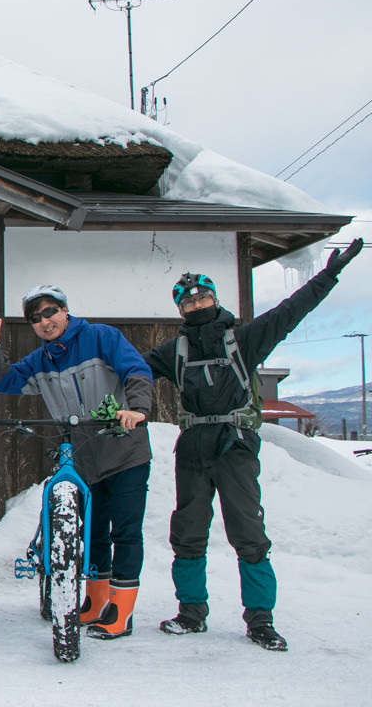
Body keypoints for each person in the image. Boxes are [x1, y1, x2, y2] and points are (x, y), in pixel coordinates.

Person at [144, 238, 363, 652]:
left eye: (203, 297)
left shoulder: (244, 340)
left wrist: (330, 273)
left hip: (236, 446)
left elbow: (291, 311)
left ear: (215, 298)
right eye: (188, 302)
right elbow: (129, 366)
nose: (197, 305)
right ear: (180, 311)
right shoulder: (174, 351)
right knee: (187, 531)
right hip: (192, 447)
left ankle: (260, 619)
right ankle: (191, 612)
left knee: (248, 532)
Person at [0, 285, 153, 640]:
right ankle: (95, 600)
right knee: (95, 535)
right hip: (85, 458)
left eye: (50, 312)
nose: (45, 321)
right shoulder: (40, 359)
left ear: (65, 310)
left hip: (124, 452)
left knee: (125, 533)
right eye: (35, 318)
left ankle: (121, 612)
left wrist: (136, 408)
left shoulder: (102, 338)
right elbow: (7, 382)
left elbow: (136, 369)